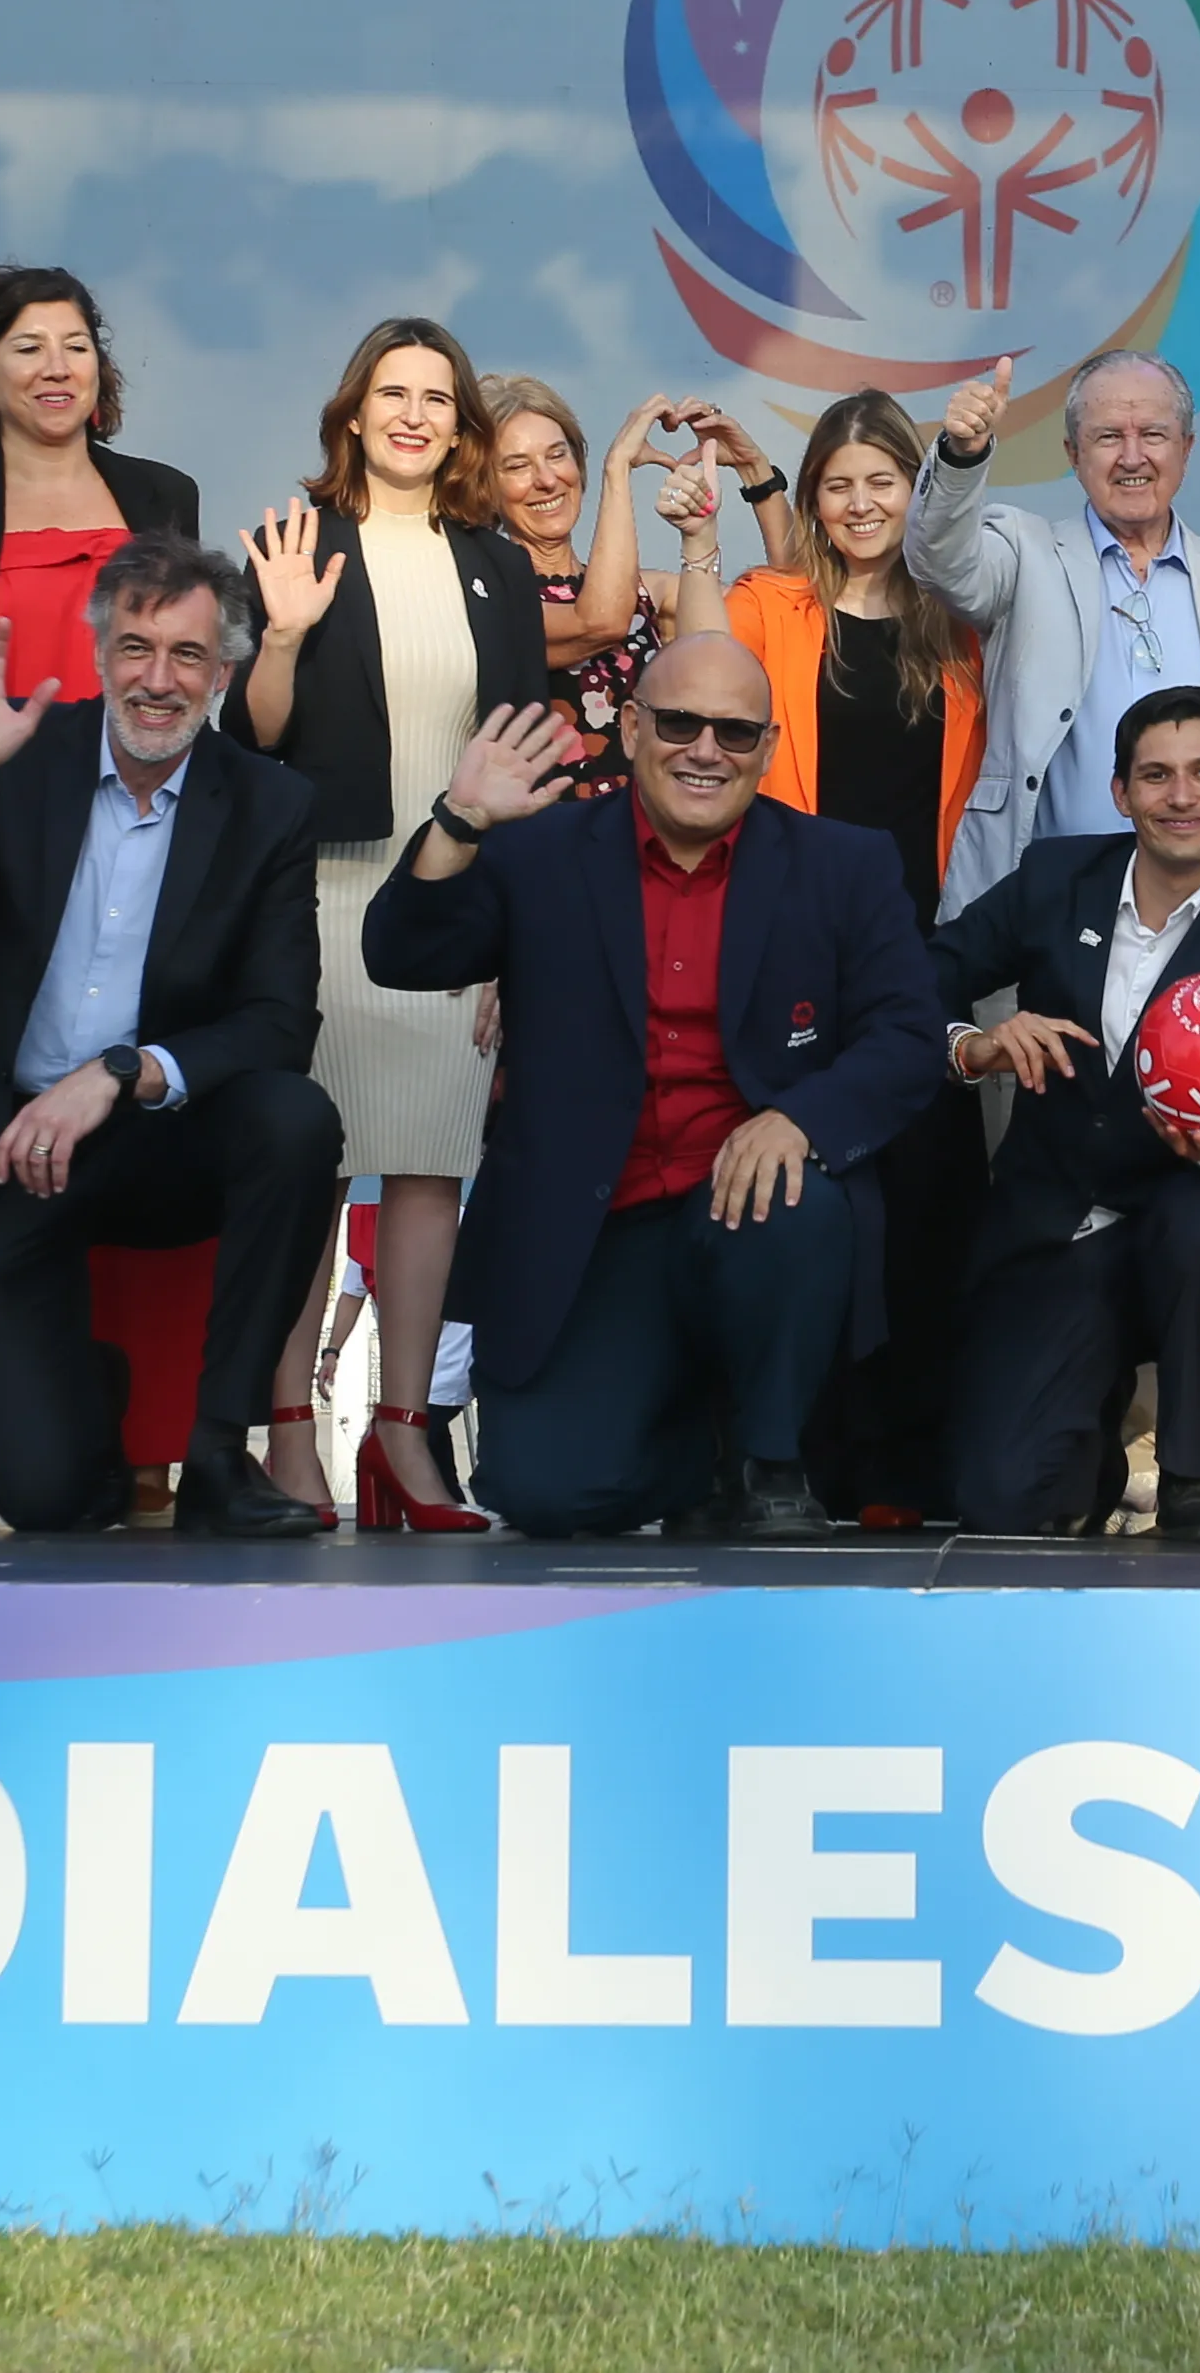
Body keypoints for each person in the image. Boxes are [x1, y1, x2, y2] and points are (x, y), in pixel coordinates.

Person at [360, 639, 949, 1538]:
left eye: (735, 731)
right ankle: (689, 1444)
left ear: (766, 744)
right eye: (678, 722)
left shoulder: (843, 864)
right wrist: (460, 820)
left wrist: (799, 1117)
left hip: (746, 1212)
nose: (705, 748)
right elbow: (402, 953)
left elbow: (908, 1035)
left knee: (796, 1205)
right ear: (632, 728)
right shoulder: (538, 851)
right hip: (591, 1229)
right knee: (552, 1496)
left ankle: (769, 1458)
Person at [0, 540, 347, 1537]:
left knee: (295, 1119)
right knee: (51, 1503)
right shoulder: (20, 754)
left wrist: (123, 1072)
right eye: (135, 647)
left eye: (187, 654)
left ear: (223, 673)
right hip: (4, 1142)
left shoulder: (269, 803)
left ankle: (220, 1452)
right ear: (101, 654)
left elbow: (278, 1021)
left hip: (155, 1137)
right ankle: (79, 1388)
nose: (158, 679)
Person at [0, 264, 212, 1533]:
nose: (55, 367)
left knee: (135, 1148)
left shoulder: (161, 497)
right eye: (27, 348)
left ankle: (145, 1457)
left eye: (75, 345)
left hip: (137, 865)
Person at [234, 317, 553, 1531]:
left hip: (446, 902)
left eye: (437, 396)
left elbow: (523, 756)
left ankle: (405, 1438)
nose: (414, 413)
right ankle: (289, 1434)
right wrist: (282, 632)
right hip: (318, 895)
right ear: (353, 413)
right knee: (307, 1171)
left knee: (429, 1175)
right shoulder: (295, 543)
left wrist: (509, 942)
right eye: (392, 392)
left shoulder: (497, 561)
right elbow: (254, 742)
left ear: (460, 425)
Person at [928, 685, 1200, 1540]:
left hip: (1175, 1222)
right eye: (1154, 775)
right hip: (1052, 1230)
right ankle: (1096, 1452)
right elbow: (918, 978)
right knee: (1003, 1499)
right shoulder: (1054, 877)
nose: (1179, 796)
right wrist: (975, 1044)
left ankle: (1189, 1472)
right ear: (1120, 793)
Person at [713, 390, 990, 1524]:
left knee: (933, 1209)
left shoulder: (956, 627)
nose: (863, 502)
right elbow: (706, 728)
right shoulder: (766, 603)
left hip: (922, 955)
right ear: (812, 498)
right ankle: (799, 1459)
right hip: (796, 950)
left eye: (886, 480)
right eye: (841, 482)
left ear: (915, 492)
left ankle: (909, 1468)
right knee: (826, 1210)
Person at [906, 349, 1200, 920]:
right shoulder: (1026, 555)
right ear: (1073, 454)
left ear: (1187, 449)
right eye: (1108, 437)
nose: (1133, 457)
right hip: (1047, 908)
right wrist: (962, 456)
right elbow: (939, 561)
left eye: (1154, 434)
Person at [492, 379, 799, 760]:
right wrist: (618, 468)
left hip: (648, 818)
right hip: (550, 818)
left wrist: (754, 470)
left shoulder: (647, 595)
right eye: (517, 465)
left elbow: (793, 604)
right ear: (484, 486)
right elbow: (602, 620)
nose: (546, 479)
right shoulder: (489, 599)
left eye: (556, 455)